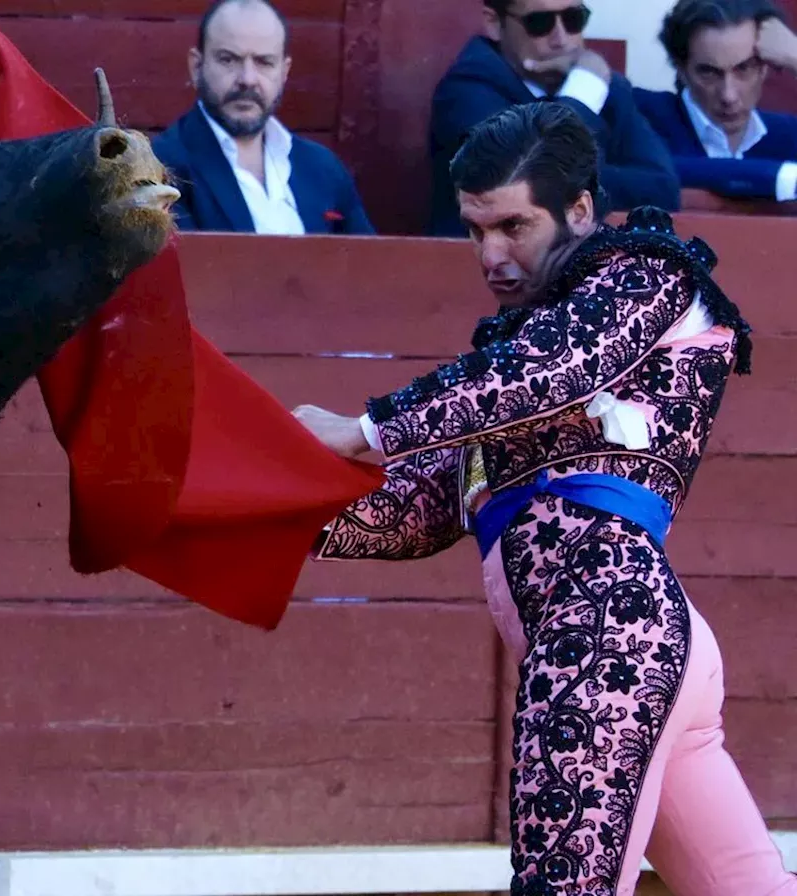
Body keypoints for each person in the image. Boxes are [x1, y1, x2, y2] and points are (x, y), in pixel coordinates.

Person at [293, 101, 797, 895]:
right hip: (626, 644)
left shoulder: (646, 275)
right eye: (473, 230)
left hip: (606, 639)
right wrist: (263, 499)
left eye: (514, 228)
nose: (491, 254)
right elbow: (420, 509)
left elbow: (551, 370)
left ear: (581, 210)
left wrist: (363, 428)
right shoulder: (513, 368)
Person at [426, 0, 679, 236]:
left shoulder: (608, 89)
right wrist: (582, 93)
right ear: (494, 23)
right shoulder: (466, 93)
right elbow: (536, 181)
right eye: (540, 23)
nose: (561, 39)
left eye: (573, 19)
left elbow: (663, 189)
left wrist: (576, 181)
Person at [150, 0, 375, 235]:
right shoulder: (163, 168)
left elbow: (371, 266)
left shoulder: (323, 168)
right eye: (228, 59)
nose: (248, 79)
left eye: (264, 62)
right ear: (196, 67)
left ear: (284, 72)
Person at [635, 0, 797, 203]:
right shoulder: (640, 118)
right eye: (709, 73)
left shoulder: (790, 135)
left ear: (765, 67)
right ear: (681, 70)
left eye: (744, 68)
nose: (728, 95)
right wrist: (785, 178)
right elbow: (655, 169)